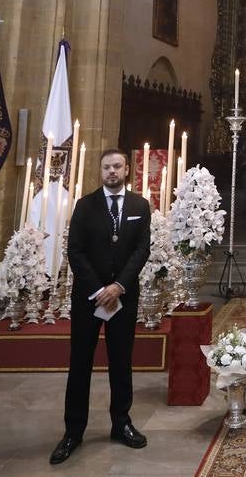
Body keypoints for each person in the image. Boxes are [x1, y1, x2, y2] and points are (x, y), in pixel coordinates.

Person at [50, 149, 151, 465]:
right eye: (106, 167)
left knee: (121, 360)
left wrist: (119, 286)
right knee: (80, 361)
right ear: (100, 171)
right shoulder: (85, 206)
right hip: (89, 298)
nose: (111, 171)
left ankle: (121, 423)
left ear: (126, 169)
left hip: (124, 295)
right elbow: (75, 251)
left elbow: (141, 249)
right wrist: (98, 289)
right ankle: (73, 431)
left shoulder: (139, 206)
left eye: (117, 166)